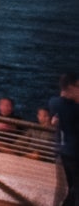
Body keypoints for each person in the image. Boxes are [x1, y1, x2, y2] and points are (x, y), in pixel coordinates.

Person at [42, 71, 79, 202]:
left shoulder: (53, 102)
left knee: (66, 188)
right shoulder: (75, 108)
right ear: (72, 87)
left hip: (60, 152)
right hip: (75, 153)